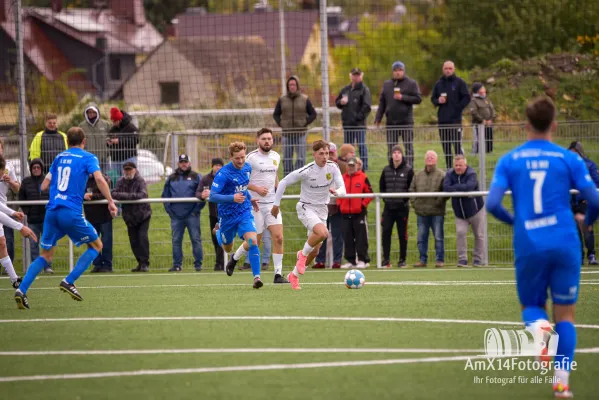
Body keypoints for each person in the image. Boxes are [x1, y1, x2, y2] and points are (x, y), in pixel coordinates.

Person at [486, 96, 599, 399]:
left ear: (525, 125)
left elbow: (492, 203)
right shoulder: (569, 158)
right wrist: (587, 221)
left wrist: (514, 221)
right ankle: (561, 383)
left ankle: (540, 333)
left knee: (533, 307)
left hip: (529, 243)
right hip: (565, 241)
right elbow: (596, 198)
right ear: (554, 125)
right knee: (566, 316)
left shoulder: (510, 160)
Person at [14, 127, 118, 309]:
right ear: (83, 141)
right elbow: (100, 180)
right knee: (97, 245)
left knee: (46, 255)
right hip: (70, 212)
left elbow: (44, 186)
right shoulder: (88, 157)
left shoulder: (59, 157)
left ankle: (21, 291)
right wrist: (110, 201)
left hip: (52, 211)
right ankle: (69, 281)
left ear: (67, 141)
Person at [272, 140, 346, 290]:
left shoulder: (333, 167)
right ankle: (301, 254)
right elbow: (283, 182)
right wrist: (276, 204)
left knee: (315, 251)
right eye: (321, 154)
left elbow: (342, 187)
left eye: (327, 153)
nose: (325, 157)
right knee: (323, 233)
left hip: (322, 210)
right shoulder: (307, 170)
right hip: (306, 208)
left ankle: (293, 275)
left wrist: (337, 192)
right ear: (314, 155)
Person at [230, 128, 288, 284]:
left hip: (271, 205)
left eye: (269, 138)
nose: (267, 141)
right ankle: (235, 258)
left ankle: (278, 274)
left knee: (279, 237)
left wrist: (277, 199)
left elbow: (274, 176)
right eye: (264, 139)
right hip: (255, 205)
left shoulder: (276, 156)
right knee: (255, 241)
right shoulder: (250, 158)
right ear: (258, 141)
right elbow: (240, 179)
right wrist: (256, 189)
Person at [209, 142, 263, 289]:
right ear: (231, 157)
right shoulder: (223, 174)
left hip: (244, 211)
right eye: (237, 158)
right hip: (227, 216)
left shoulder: (247, 167)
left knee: (252, 241)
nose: (240, 161)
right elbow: (212, 196)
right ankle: (219, 232)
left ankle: (256, 278)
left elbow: (243, 187)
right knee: (227, 247)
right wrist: (232, 198)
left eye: (242, 157)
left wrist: (250, 198)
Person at [375, 61, 422, 167]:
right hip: (391, 122)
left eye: (400, 70)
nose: (397, 73)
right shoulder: (387, 85)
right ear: (392, 72)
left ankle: (409, 169)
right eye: (395, 70)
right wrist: (378, 118)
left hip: (406, 122)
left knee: (408, 147)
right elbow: (382, 102)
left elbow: (418, 99)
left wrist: (402, 97)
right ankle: (392, 169)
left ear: (403, 71)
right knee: (391, 148)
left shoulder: (411, 83)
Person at [162, 154, 204, 272]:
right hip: (176, 216)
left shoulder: (196, 176)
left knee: (195, 239)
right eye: (181, 162)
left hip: (192, 215)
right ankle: (177, 265)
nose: (184, 164)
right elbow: (165, 195)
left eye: (186, 162)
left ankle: (198, 265)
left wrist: (195, 211)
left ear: (189, 163)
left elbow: (202, 194)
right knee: (176, 241)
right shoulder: (171, 177)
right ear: (178, 164)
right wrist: (170, 211)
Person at [443, 155, 486, 267]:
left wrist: (455, 187)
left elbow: (469, 187)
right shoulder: (449, 174)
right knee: (460, 233)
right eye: (456, 165)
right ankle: (462, 260)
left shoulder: (472, 174)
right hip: (460, 213)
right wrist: (459, 187)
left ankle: (477, 260)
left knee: (479, 234)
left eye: (460, 165)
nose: (458, 167)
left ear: (465, 165)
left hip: (476, 210)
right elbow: (446, 187)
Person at [112, 161, 152, 272]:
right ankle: (139, 262)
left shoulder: (140, 180)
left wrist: (124, 197)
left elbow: (142, 195)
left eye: (130, 169)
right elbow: (114, 193)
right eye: (126, 169)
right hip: (129, 216)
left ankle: (145, 263)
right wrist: (130, 197)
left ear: (135, 169)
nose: (128, 172)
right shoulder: (120, 181)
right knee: (133, 241)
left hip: (143, 215)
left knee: (142, 238)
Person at [272, 76, 318, 175]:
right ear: (287, 86)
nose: (292, 86)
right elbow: (276, 114)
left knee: (301, 157)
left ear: (297, 86)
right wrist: (281, 124)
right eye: (290, 85)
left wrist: (304, 123)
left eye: (294, 84)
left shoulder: (305, 99)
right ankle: (288, 176)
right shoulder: (282, 99)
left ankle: (299, 175)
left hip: (300, 133)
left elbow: (313, 114)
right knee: (287, 157)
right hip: (287, 134)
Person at [410, 150, 447, 268]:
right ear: (424, 159)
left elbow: (446, 192)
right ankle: (422, 260)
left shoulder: (442, 174)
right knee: (421, 238)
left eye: (432, 157)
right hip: (421, 212)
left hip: (437, 212)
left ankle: (439, 260)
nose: (429, 158)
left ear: (436, 160)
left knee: (438, 237)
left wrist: (438, 202)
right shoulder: (418, 175)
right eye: (427, 156)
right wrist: (415, 204)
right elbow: (411, 190)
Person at [431, 61, 471, 169]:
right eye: (446, 68)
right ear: (443, 69)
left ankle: (461, 168)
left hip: (455, 121)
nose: (448, 70)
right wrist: (438, 100)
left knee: (457, 146)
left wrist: (458, 108)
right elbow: (433, 99)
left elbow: (467, 97)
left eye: (450, 68)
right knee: (446, 147)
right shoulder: (439, 84)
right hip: (442, 120)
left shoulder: (459, 82)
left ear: (453, 69)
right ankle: (449, 169)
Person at [379, 144, 414, 268]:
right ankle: (386, 260)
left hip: (402, 208)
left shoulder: (408, 170)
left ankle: (402, 260)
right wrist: (386, 200)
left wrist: (404, 200)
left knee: (402, 234)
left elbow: (411, 187)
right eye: (394, 152)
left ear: (402, 154)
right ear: (391, 154)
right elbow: (381, 187)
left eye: (399, 152)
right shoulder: (386, 170)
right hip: (388, 208)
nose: (396, 154)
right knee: (386, 232)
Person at [313, 142, 344, 269]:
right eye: (326, 153)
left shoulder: (340, 166)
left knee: (337, 235)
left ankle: (337, 261)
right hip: (322, 206)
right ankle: (320, 260)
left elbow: (343, 185)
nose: (328, 156)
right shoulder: (317, 167)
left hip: (336, 207)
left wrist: (338, 195)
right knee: (321, 235)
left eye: (330, 153)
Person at [567, 141, 599, 265]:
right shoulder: (566, 166)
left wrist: (589, 196)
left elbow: (596, 183)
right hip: (570, 202)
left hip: (584, 202)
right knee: (574, 230)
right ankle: (579, 256)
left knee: (586, 228)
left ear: (580, 152)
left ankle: (591, 255)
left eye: (575, 152)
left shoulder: (589, 165)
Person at [338, 157, 372, 269]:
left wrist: (362, 205)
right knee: (347, 237)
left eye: (353, 165)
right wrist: (340, 204)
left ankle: (363, 259)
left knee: (361, 237)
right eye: (349, 165)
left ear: (357, 166)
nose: (351, 167)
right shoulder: (342, 178)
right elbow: (337, 192)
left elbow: (370, 193)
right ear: (346, 166)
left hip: (359, 213)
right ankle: (350, 260)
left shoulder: (363, 177)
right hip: (345, 213)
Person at [335, 68, 372, 171]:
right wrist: (341, 102)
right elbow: (337, 102)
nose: (356, 77)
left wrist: (357, 118)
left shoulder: (364, 90)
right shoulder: (345, 89)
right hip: (347, 125)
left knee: (361, 146)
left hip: (359, 125)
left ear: (361, 76)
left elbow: (367, 106)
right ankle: (349, 166)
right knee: (348, 149)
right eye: (354, 75)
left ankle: (363, 167)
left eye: (358, 75)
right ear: (350, 76)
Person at [18, 159, 51, 271]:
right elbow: (21, 198)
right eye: (34, 168)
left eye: (38, 167)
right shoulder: (26, 182)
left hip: (46, 218)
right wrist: (28, 211)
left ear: (41, 169)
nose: (36, 170)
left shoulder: (47, 181)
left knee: (47, 243)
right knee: (33, 245)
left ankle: (47, 266)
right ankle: (36, 268)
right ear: (31, 169)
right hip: (33, 220)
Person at [198, 158, 225, 271]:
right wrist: (202, 195)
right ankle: (220, 262)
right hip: (212, 214)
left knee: (221, 238)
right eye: (216, 165)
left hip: (224, 214)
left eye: (220, 165)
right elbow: (198, 191)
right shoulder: (205, 179)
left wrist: (212, 193)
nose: (218, 167)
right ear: (212, 166)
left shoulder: (225, 177)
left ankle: (220, 263)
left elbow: (228, 192)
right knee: (214, 239)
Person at [84, 172, 114, 273]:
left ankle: (107, 265)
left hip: (104, 217)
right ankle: (97, 264)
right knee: (92, 241)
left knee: (106, 242)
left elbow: (107, 194)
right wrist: (83, 195)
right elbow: (77, 193)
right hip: (91, 217)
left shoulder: (103, 179)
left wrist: (92, 196)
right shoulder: (83, 180)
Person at [107, 107, 139, 184]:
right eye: (112, 121)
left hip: (128, 158)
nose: (113, 123)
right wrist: (109, 143)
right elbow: (108, 140)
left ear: (119, 120)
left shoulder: (131, 127)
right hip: (115, 159)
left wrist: (119, 141)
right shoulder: (112, 129)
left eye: (115, 121)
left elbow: (136, 140)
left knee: (129, 180)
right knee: (116, 181)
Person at [79, 103, 111, 171]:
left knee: (105, 179)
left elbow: (110, 138)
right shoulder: (81, 126)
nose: (91, 114)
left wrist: (107, 149)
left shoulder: (105, 124)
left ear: (97, 113)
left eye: (94, 112)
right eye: (89, 112)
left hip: (104, 160)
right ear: (86, 113)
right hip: (88, 160)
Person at [469, 82, 496, 154]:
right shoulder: (473, 101)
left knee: (489, 138)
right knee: (477, 139)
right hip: (478, 124)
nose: (484, 90)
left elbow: (492, 110)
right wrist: (482, 120)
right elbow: (474, 112)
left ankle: (489, 152)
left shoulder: (486, 99)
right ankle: (475, 152)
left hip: (488, 124)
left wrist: (490, 119)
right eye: (482, 88)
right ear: (477, 91)